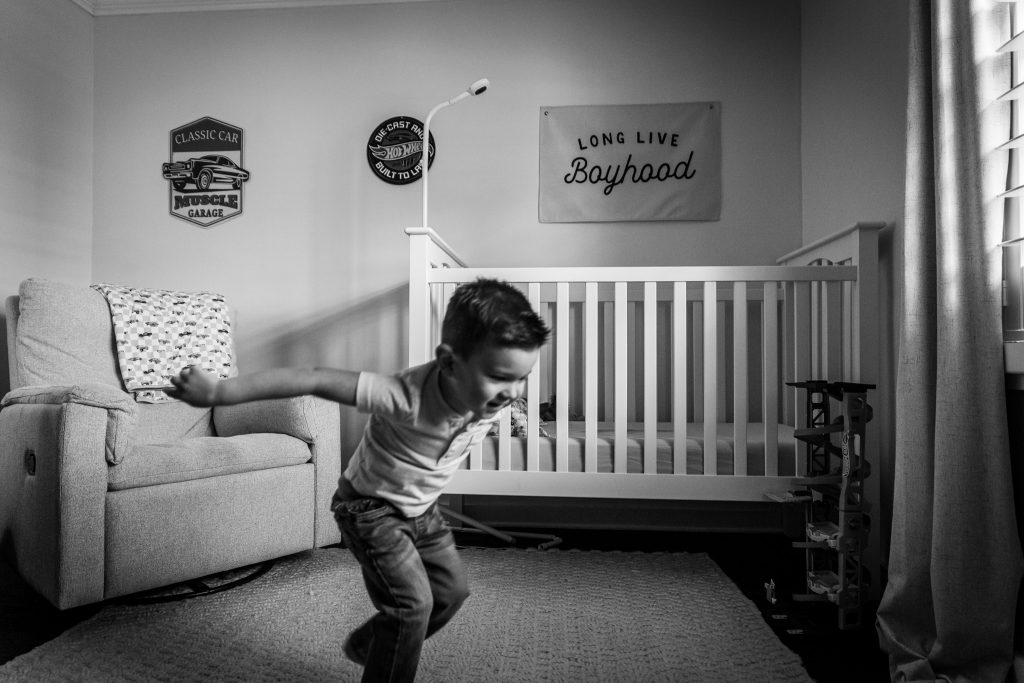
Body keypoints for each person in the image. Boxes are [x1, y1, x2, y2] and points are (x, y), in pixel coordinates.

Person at [168, 278, 550, 683]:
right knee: (411, 607)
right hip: (371, 510)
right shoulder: (402, 395)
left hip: (422, 510)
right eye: (499, 376)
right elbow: (312, 377)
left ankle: (374, 646)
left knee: (450, 594)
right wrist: (219, 392)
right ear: (450, 362)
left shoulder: (488, 395)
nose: (512, 392)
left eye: (521, 377)